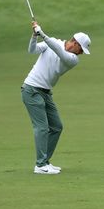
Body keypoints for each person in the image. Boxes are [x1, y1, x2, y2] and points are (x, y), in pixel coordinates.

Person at [21, 21, 90, 174]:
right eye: (81, 49)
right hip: (31, 89)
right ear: (75, 43)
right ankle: (40, 166)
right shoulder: (52, 43)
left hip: (45, 93)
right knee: (42, 127)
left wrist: (43, 34)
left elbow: (59, 51)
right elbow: (32, 50)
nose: (81, 53)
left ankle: (45, 161)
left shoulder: (72, 59)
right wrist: (34, 36)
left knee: (57, 127)